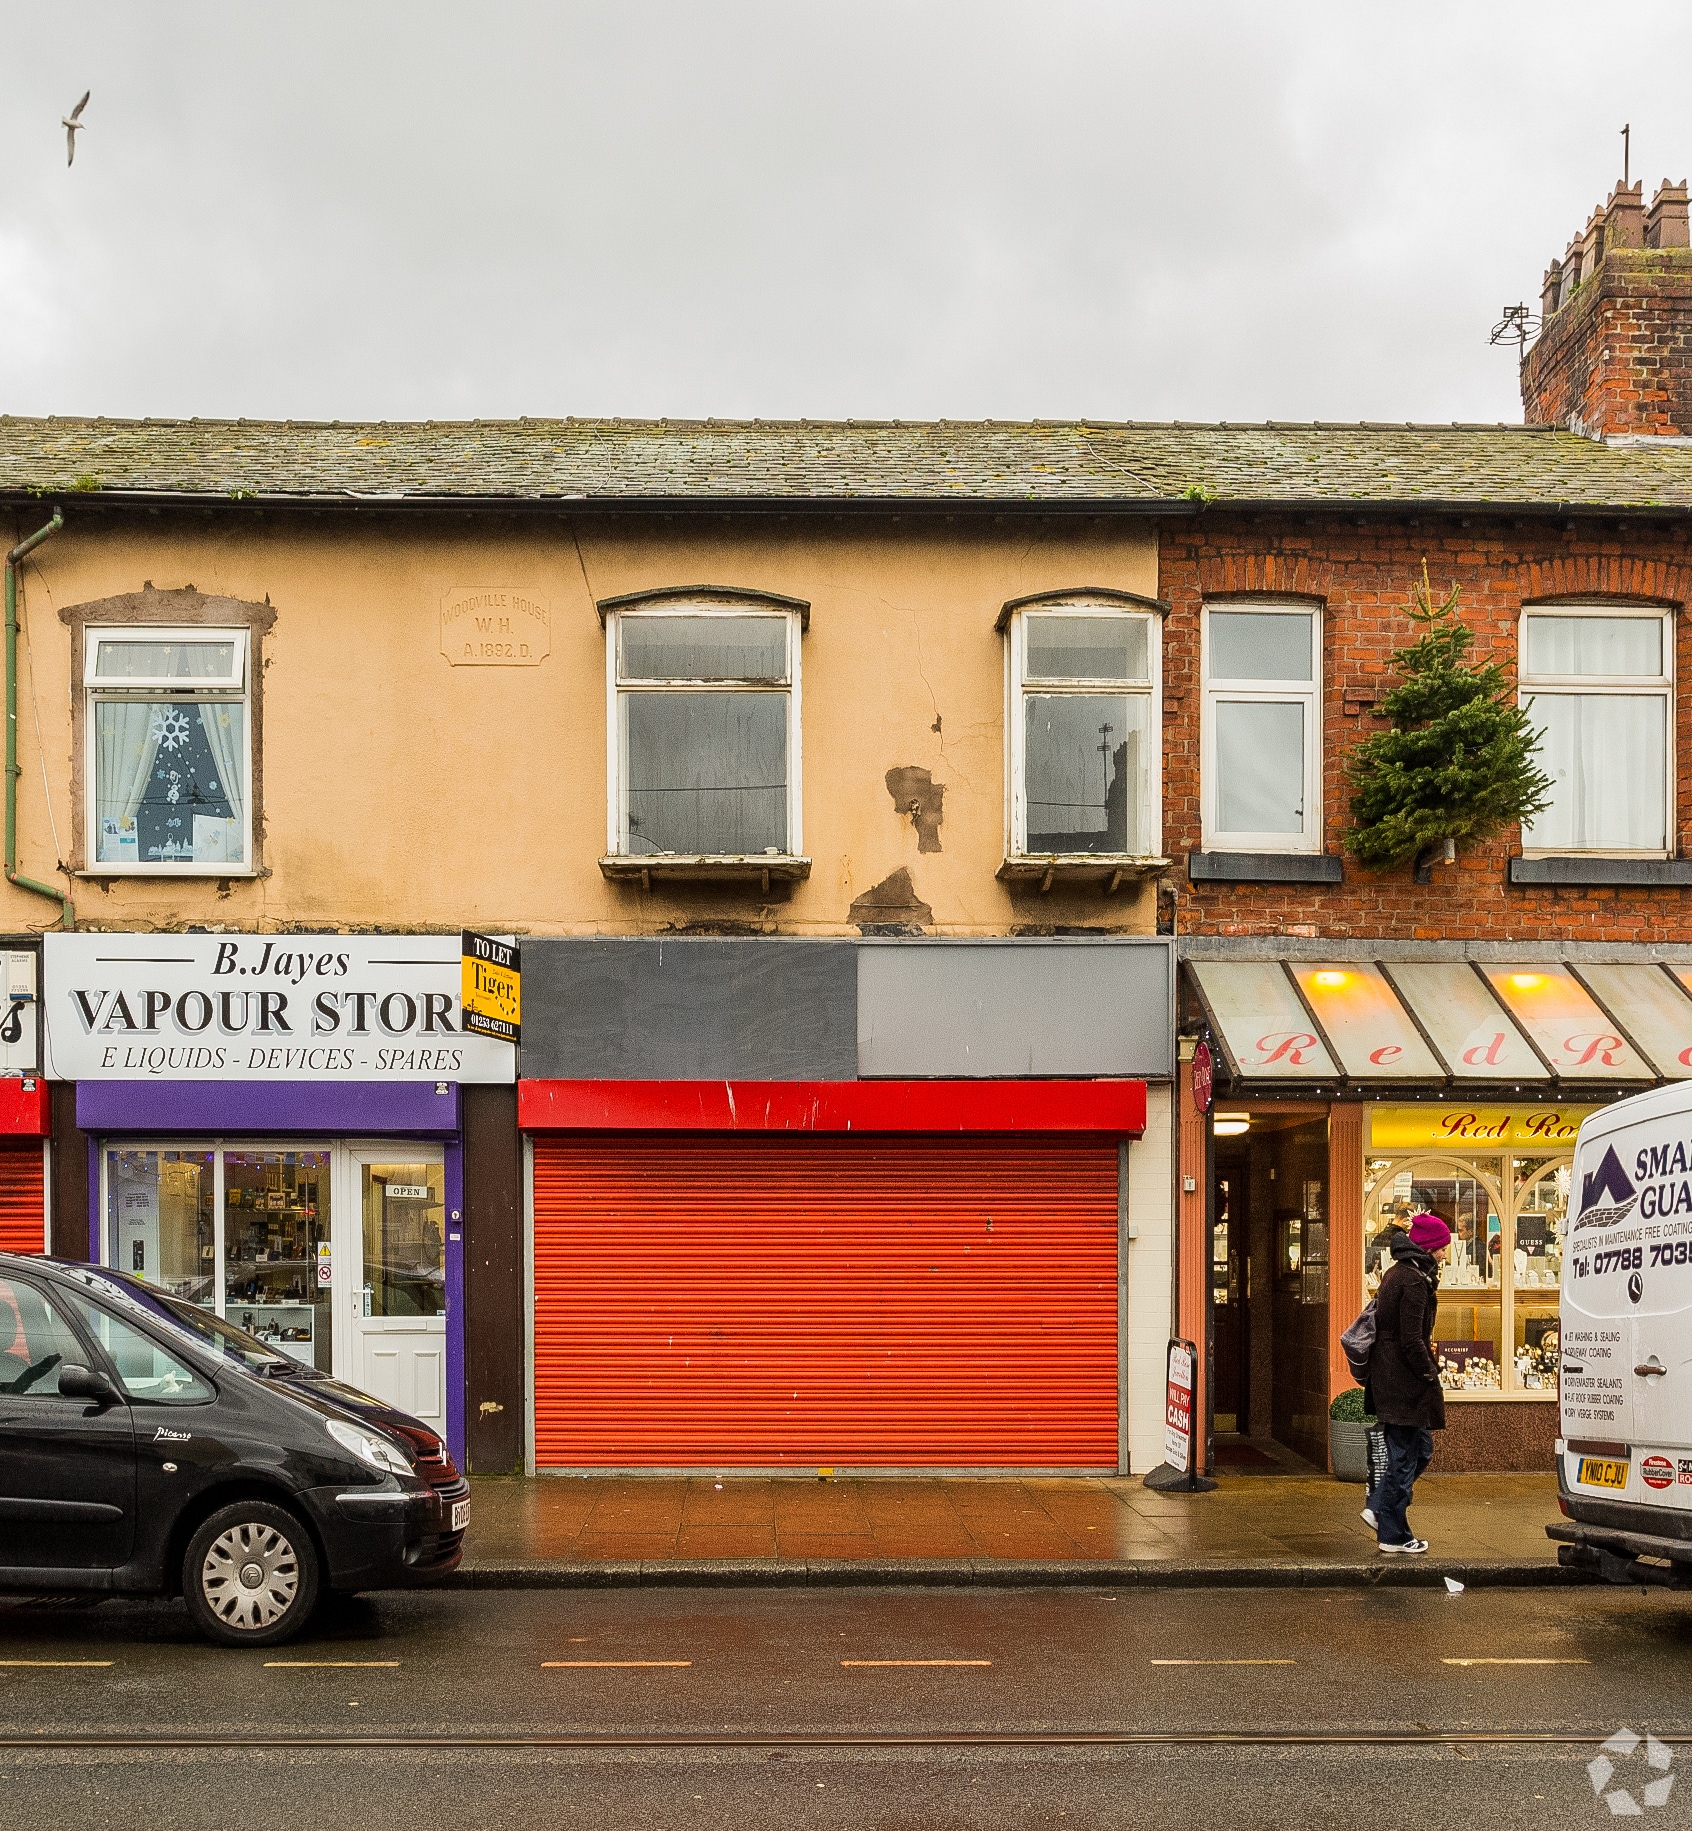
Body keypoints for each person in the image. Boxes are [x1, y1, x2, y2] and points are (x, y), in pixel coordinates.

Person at [1363, 1210, 1449, 1554]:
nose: (1445, 1252)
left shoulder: (1400, 1272)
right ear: (1427, 1246)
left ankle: (1379, 1507)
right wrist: (1430, 1373)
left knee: (1420, 1449)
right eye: (1442, 1246)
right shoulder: (1412, 1280)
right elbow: (1411, 1338)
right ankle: (1392, 1533)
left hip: (1393, 1376)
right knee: (1404, 1456)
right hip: (1402, 1380)